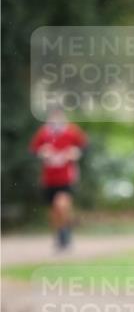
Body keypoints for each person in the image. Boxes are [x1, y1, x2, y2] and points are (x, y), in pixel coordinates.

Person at [29, 107, 88, 251]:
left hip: (66, 176)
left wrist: (75, 152)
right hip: (49, 178)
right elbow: (33, 149)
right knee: (54, 211)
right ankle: (61, 234)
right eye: (53, 117)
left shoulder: (71, 130)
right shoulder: (44, 133)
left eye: (58, 116)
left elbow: (85, 146)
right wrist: (43, 152)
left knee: (61, 204)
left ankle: (66, 232)